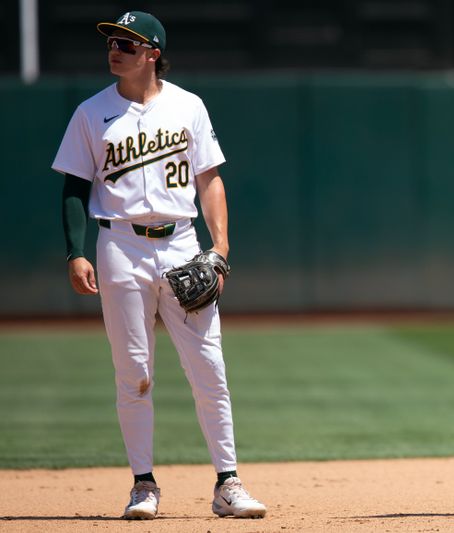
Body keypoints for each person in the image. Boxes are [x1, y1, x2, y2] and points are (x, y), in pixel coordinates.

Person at [52, 11, 266, 520]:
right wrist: (75, 250)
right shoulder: (90, 112)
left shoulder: (188, 106)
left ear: (152, 53)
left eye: (127, 43)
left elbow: (209, 180)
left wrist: (220, 249)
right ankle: (143, 484)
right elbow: (75, 188)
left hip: (181, 243)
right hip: (119, 246)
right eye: (112, 42)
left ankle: (227, 482)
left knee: (209, 367)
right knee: (134, 372)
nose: (115, 49)